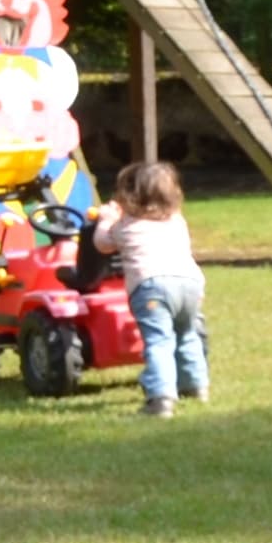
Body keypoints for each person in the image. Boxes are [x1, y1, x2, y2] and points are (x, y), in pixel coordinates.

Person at [69, 159, 208, 418]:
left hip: (153, 287)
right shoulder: (177, 221)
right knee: (187, 334)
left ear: (128, 197)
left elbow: (101, 244)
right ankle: (196, 386)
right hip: (191, 284)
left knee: (158, 341)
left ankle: (161, 398)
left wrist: (107, 219)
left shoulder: (126, 226)